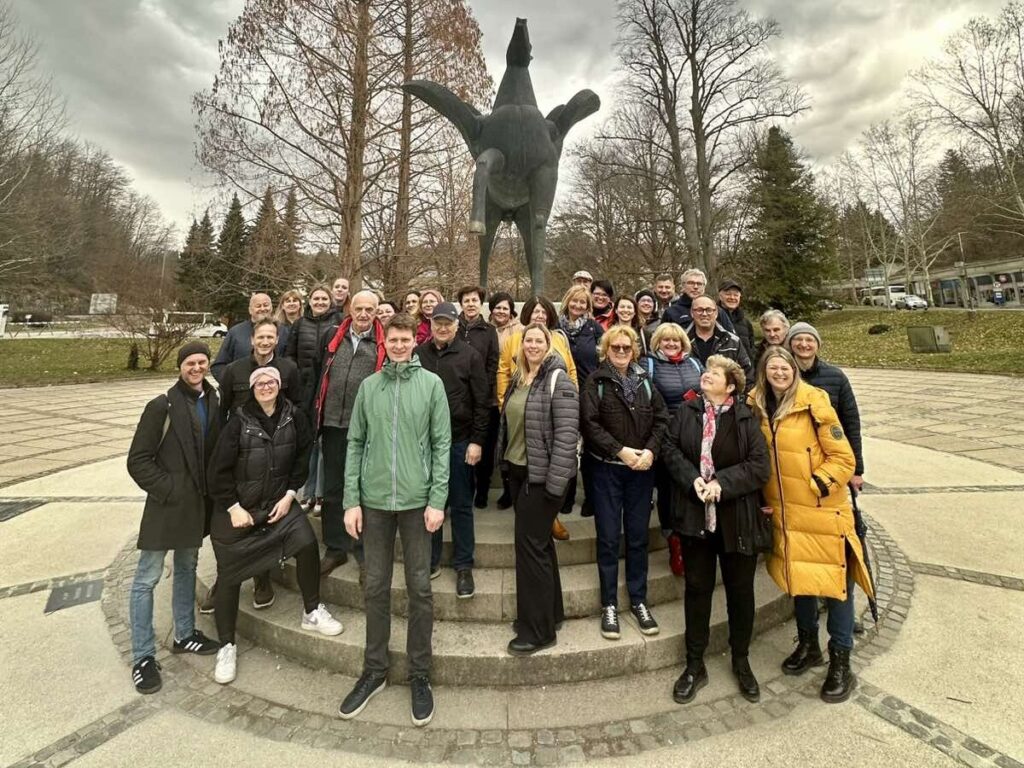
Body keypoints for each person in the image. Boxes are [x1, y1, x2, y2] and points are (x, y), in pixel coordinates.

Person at [338, 313, 451, 727]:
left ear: (413, 341)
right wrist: (351, 500)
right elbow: (355, 443)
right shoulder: (370, 387)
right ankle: (375, 669)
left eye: (406, 339)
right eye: (394, 340)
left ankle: (420, 673)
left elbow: (442, 444)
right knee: (375, 586)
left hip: (417, 501)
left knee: (420, 588)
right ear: (384, 342)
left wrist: (437, 499)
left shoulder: (432, 385)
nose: (400, 345)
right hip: (374, 501)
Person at [748, 347, 874, 704]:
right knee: (800, 581)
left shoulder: (814, 402)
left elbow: (843, 457)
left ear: (794, 370)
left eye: (785, 367)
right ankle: (808, 644)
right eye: (773, 368)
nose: (779, 373)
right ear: (764, 372)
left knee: (836, 586)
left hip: (821, 511)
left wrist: (818, 483)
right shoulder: (756, 405)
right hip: (785, 513)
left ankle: (841, 660)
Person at [207, 367, 342, 685]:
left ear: (280, 386)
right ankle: (226, 645)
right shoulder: (238, 421)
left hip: (279, 503)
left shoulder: (294, 417)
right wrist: (233, 507)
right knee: (229, 574)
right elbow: (217, 471)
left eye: (271, 383)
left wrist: (291, 494)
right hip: (241, 509)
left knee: (306, 543)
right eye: (260, 383)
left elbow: (303, 456)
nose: (266, 387)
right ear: (252, 388)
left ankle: (311, 610)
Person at [660, 355, 771, 704]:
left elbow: (759, 466)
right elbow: (669, 448)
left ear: (731, 385)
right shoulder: (687, 411)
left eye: (714, 373)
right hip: (695, 517)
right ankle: (695, 664)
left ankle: (741, 659)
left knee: (740, 592)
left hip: (736, 518)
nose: (706, 376)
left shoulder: (745, 417)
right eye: (706, 371)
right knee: (697, 590)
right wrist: (692, 479)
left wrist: (722, 482)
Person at [126, 342, 222, 694]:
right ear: (180, 366)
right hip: (167, 505)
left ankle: (184, 633)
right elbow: (138, 460)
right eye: (190, 363)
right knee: (146, 578)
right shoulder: (161, 406)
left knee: (186, 568)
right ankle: (143, 657)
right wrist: (170, 489)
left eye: (202, 362)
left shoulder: (213, 400)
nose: (196, 368)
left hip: (196, 507)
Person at [581, 325, 669, 641]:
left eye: (626, 348)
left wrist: (650, 451)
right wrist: (620, 450)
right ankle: (609, 603)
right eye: (615, 347)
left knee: (637, 537)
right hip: (607, 470)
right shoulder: (596, 382)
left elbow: (662, 419)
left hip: (641, 472)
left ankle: (638, 599)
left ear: (634, 350)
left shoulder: (645, 381)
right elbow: (589, 423)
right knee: (607, 537)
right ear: (606, 350)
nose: (621, 352)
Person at [498, 323, 578, 655]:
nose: (532, 345)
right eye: (527, 340)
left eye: (539, 341)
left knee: (530, 550)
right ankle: (550, 614)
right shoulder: (519, 378)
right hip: (518, 473)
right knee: (540, 546)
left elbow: (567, 436)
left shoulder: (558, 380)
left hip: (542, 479)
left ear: (549, 345)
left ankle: (539, 631)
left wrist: (554, 487)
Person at [786, 321, 867, 634]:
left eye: (810, 340)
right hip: (797, 477)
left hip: (832, 473)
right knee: (806, 553)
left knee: (839, 549)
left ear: (817, 344)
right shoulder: (783, 377)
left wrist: (856, 469)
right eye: (798, 340)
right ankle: (809, 633)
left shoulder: (835, 376)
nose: (804, 345)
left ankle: (842, 623)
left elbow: (850, 422)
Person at [417, 302, 489, 596]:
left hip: (460, 442)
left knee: (460, 505)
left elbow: (482, 402)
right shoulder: (418, 354)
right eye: (438, 322)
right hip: (426, 444)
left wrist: (477, 441)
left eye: (448, 323)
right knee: (430, 503)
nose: (443, 327)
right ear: (431, 324)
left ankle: (463, 566)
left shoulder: (470, 356)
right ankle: (431, 560)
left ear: (457, 326)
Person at [313, 290, 386, 576]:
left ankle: (364, 550)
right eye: (359, 308)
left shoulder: (382, 342)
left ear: (376, 312)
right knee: (333, 488)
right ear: (350, 310)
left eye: (370, 309)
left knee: (365, 490)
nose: (364, 314)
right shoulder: (333, 337)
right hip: (333, 423)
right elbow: (318, 375)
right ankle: (335, 547)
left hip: (366, 429)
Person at [497, 296, 578, 540]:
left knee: (535, 527)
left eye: (544, 312)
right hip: (519, 409)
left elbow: (570, 371)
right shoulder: (514, 340)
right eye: (535, 311)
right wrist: (505, 403)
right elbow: (503, 371)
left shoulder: (558, 340)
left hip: (547, 414)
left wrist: (570, 398)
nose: (540, 315)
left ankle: (551, 519)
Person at [643, 323, 705, 575]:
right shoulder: (649, 364)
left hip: (693, 434)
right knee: (668, 489)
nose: (671, 344)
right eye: (665, 340)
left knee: (690, 483)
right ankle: (674, 540)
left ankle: (692, 536)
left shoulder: (695, 364)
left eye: (675, 341)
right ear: (657, 343)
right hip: (665, 436)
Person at [285, 286, 341, 508]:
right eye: (316, 298)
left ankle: (321, 493)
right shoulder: (300, 324)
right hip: (305, 388)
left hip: (328, 387)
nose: (320, 302)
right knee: (308, 440)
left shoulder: (338, 322)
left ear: (330, 301)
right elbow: (289, 354)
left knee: (324, 442)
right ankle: (307, 491)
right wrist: (297, 375)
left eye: (324, 298)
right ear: (309, 301)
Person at [557, 284, 603, 517]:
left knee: (590, 447)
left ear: (588, 306)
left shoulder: (594, 329)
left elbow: (603, 359)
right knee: (566, 446)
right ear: (567, 301)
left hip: (589, 394)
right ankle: (567, 495)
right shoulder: (556, 328)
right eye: (574, 301)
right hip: (562, 395)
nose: (577, 305)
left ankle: (592, 498)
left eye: (582, 302)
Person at [456, 286, 500, 509]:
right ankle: (465, 490)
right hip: (459, 396)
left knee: (484, 446)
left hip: (483, 397)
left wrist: (483, 388)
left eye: (474, 300)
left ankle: (482, 489)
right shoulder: (453, 327)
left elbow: (493, 362)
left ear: (481, 303)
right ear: (461, 304)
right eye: (466, 300)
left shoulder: (489, 331)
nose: (471, 304)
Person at [218, 319, 303, 426]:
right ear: (252, 340)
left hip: (277, 433)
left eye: (270, 337)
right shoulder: (232, 370)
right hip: (241, 432)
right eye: (260, 337)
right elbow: (222, 410)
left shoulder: (289, 369)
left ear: (277, 340)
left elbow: (297, 406)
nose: (265, 342)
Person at [487, 291, 522, 508]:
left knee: (510, 445)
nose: (501, 311)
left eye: (505, 308)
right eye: (497, 307)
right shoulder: (485, 329)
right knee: (494, 445)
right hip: (488, 397)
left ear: (511, 311)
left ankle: (510, 490)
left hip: (510, 398)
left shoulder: (520, 331)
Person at [211, 293, 287, 380]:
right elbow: (218, 366)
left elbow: (289, 364)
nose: (262, 309)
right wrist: (235, 383)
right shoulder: (235, 332)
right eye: (258, 306)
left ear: (271, 308)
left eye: (266, 305)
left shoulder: (283, 332)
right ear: (250, 310)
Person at [686, 297, 753, 385]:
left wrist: (737, 394)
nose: (704, 314)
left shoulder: (732, 341)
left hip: (725, 392)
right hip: (690, 393)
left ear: (716, 313)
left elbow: (747, 373)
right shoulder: (682, 341)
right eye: (699, 310)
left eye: (709, 310)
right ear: (692, 313)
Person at [662, 269, 735, 334]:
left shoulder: (716, 311)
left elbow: (732, 338)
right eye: (691, 283)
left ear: (704, 287)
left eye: (699, 284)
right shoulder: (672, 312)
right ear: (683, 286)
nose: (695, 287)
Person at [717, 279, 754, 357]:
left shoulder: (746, 323)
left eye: (736, 295)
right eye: (728, 294)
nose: (732, 297)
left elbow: (751, 350)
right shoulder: (713, 319)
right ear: (720, 296)